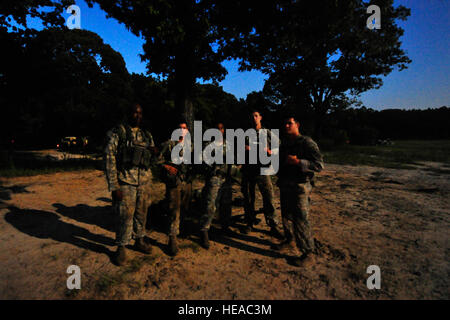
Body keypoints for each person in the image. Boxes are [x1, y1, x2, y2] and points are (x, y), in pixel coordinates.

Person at [104, 103, 157, 265]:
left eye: (140, 113)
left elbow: (153, 156)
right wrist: (114, 186)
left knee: (142, 212)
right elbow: (109, 158)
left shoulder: (146, 135)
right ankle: (121, 246)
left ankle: (139, 239)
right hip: (126, 180)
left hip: (144, 180)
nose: (138, 116)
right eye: (135, 113)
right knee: (124, 214)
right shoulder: (119, 133)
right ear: (129, 114)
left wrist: (154, 153)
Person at [273, 116, 324, 267]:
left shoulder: (307, 143)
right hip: (286, 185)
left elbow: (319, 165)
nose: (287, 125)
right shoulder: (284, 144)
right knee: (286, 216)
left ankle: (308, 253)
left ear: (297, 125)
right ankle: (289, 240)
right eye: (285, 123)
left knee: (301, 218)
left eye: (290, 123)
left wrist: (299, 162)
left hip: (300, 187)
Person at [241, 110, 283, 239]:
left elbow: (279, 147)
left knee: (268, 197)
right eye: (251, 116)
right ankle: (249, 222)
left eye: (256, 116)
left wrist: (270, 151)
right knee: (248, 198)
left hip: (263, 169)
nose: (254, 118)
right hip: (249, 169)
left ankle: (273, 225)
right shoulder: (245, 134)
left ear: (260, 117)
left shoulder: (267, 133)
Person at [158, 120, 193, 256]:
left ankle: (181, 230)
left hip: (187, 182)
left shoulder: (192, 146)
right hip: (174, 182)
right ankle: (172, 238)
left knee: (185, 206)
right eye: (180, 128)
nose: (182, 131)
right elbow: (157, 159)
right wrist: (167, 166)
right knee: (173, 209)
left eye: (184, 128)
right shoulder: (169, 144)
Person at [199, 122, 234, 249]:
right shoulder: (208, 146)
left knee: (226, 204)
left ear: (223, 131)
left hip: (227, 179)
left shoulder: (228, 145)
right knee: (210, 205)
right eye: (216, 129)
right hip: (214, 178)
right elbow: (203, 162)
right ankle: (204, 230)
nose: (219, 131)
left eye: (221, 129)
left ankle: (224, 226)